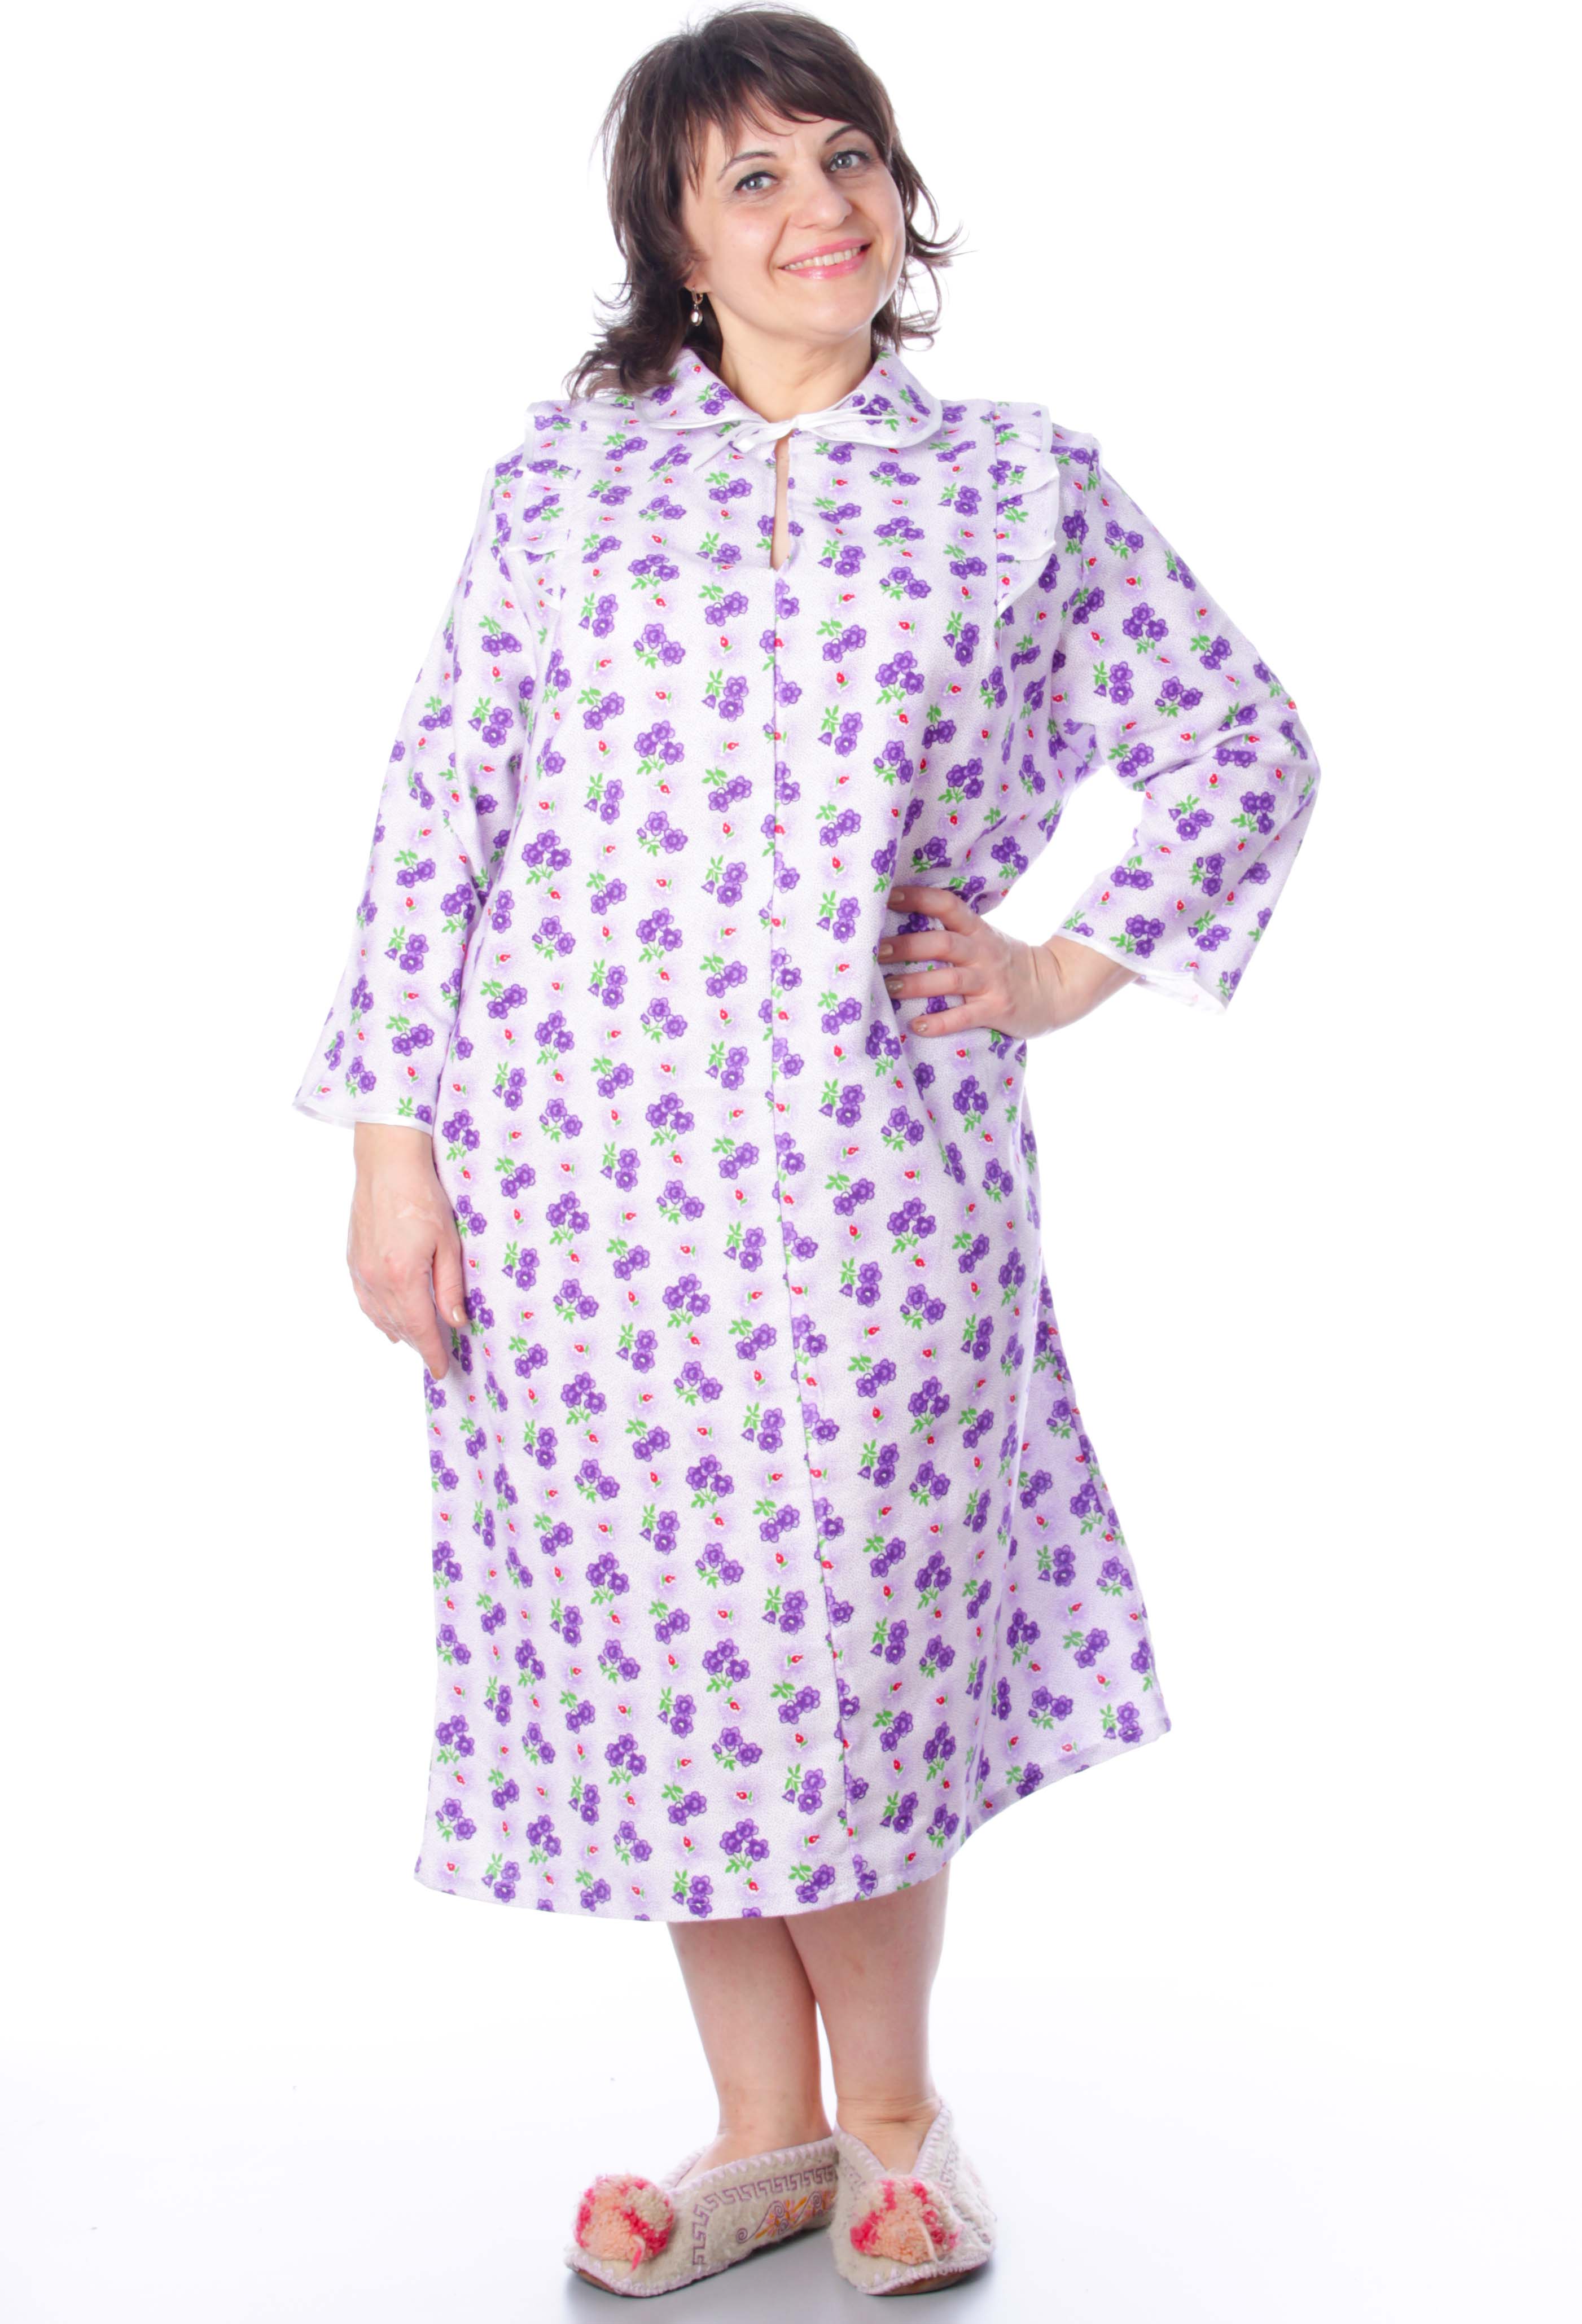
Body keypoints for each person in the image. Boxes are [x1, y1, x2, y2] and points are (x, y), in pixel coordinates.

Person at [290, 3, 1322, 2297]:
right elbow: (439, 811)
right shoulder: (561, 486)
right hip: (569, 1181)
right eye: (749, 176)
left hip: (874, 1180)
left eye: (843, 156)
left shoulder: (1017, 485)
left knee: (850, 1642)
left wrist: (1057, 970)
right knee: (662, 1642)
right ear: (674, 240)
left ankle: (898, 2125)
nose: (815, 207)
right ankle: (758, 2135)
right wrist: (392, 1150)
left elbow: (1241, 742)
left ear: (898, 194)